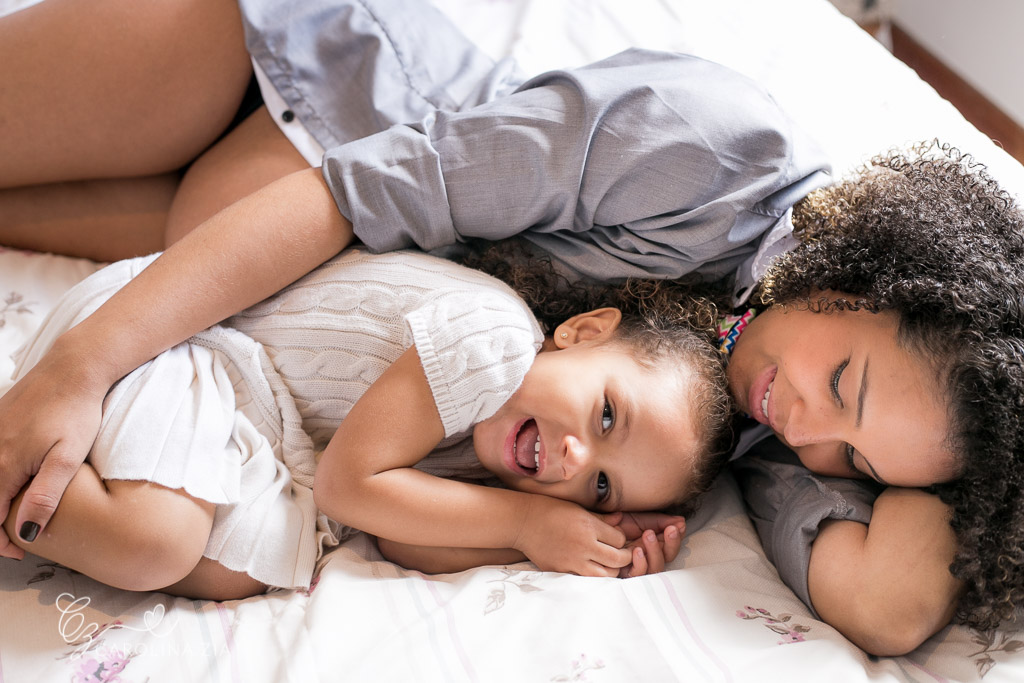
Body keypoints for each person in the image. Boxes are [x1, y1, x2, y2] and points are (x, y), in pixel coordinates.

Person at [2, 0, 1022, 656]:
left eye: (856, 458)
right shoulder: (708, 148)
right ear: (864, 280)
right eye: (842, 386)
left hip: (229, 238)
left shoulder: (768, 425)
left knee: (176, 235)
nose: (806, 430)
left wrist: (968, 472)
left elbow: (887, 603)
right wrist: (77, 368)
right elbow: (354, 194)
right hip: (292, 94)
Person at [2, 245, 734, 600]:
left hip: (248, 418)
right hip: (178, 344)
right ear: (582, 330)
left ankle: (42, 495)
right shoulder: (495, 340)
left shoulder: (494, 458)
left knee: (237, 571)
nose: (575, 457)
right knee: (156, 543)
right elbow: (350, 488)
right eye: (606, 415)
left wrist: (577, 546)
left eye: (602, 486)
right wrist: (525, 523)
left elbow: (401, 536)